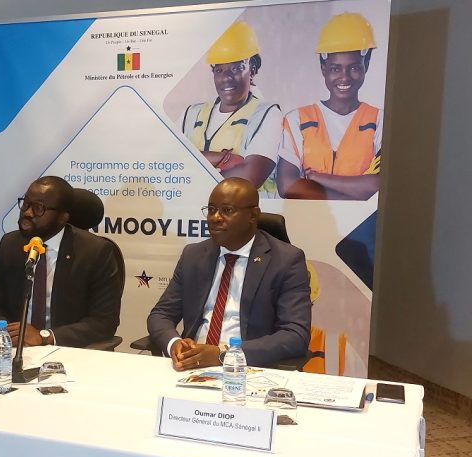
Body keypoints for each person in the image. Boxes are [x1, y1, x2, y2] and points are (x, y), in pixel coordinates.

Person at [147, 177, 311, 369]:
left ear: (253, 215)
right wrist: (174, 343)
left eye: (227, 210)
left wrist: (224, 354)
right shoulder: (194, 255)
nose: (215, 218)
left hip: (248, 369)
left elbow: (295, 335)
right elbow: (161, 314)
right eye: (211, 210)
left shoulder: (286, 260)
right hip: (192, 363)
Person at [0, 176, 122, 348]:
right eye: (25, 203)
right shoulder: (10, 244)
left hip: (67, 350)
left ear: (63, 217)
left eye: (38, 208)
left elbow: (104, 322)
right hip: (14, 348)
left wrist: (45, 337)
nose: (27, 212)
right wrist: (7, 333)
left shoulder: (95, 251)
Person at [277, 12, 383, 200]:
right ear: (323, 68)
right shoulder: (297, 120)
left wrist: (318, 178)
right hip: (311, 218)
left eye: (354, 67)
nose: (345, 77)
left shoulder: (380, 120)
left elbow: (378, 184)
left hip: (364, 220)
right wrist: (354, 197)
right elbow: (288, 186)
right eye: (336, 68)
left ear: (366, 65)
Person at [181, 20, 282, 196]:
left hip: (247, 213)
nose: (226, 78)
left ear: (252, 69)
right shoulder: (192, 114)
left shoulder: (268, 115)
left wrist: (191, 170)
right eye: (219, 70)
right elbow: (169, 163)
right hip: (198, 212)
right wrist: (220, 158)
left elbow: (247, 178)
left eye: (236, 68)